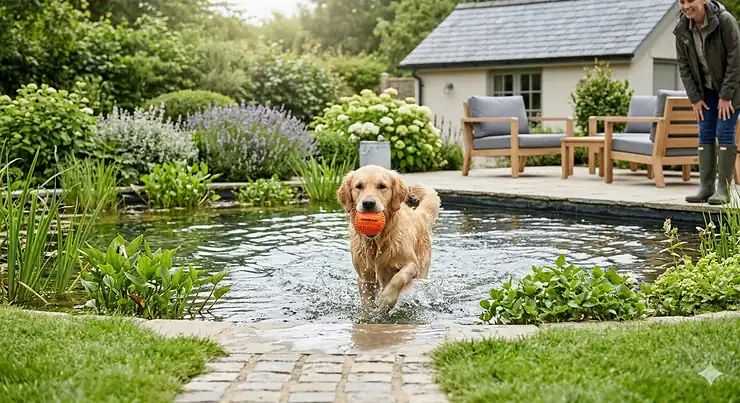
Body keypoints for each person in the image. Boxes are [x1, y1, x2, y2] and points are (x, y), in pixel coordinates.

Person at [675, 0, 740, 204]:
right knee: (705, 132)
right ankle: (706, 187)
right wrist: (695, 98)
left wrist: (726, 95)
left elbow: (736, 58)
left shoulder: (724, 21)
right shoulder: (682, 28)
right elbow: (684, 66)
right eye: (682, 1)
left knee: (724, 132)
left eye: (690, 1)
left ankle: (723, 189)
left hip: (731, 88)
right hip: (706, 91)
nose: (686, 6)